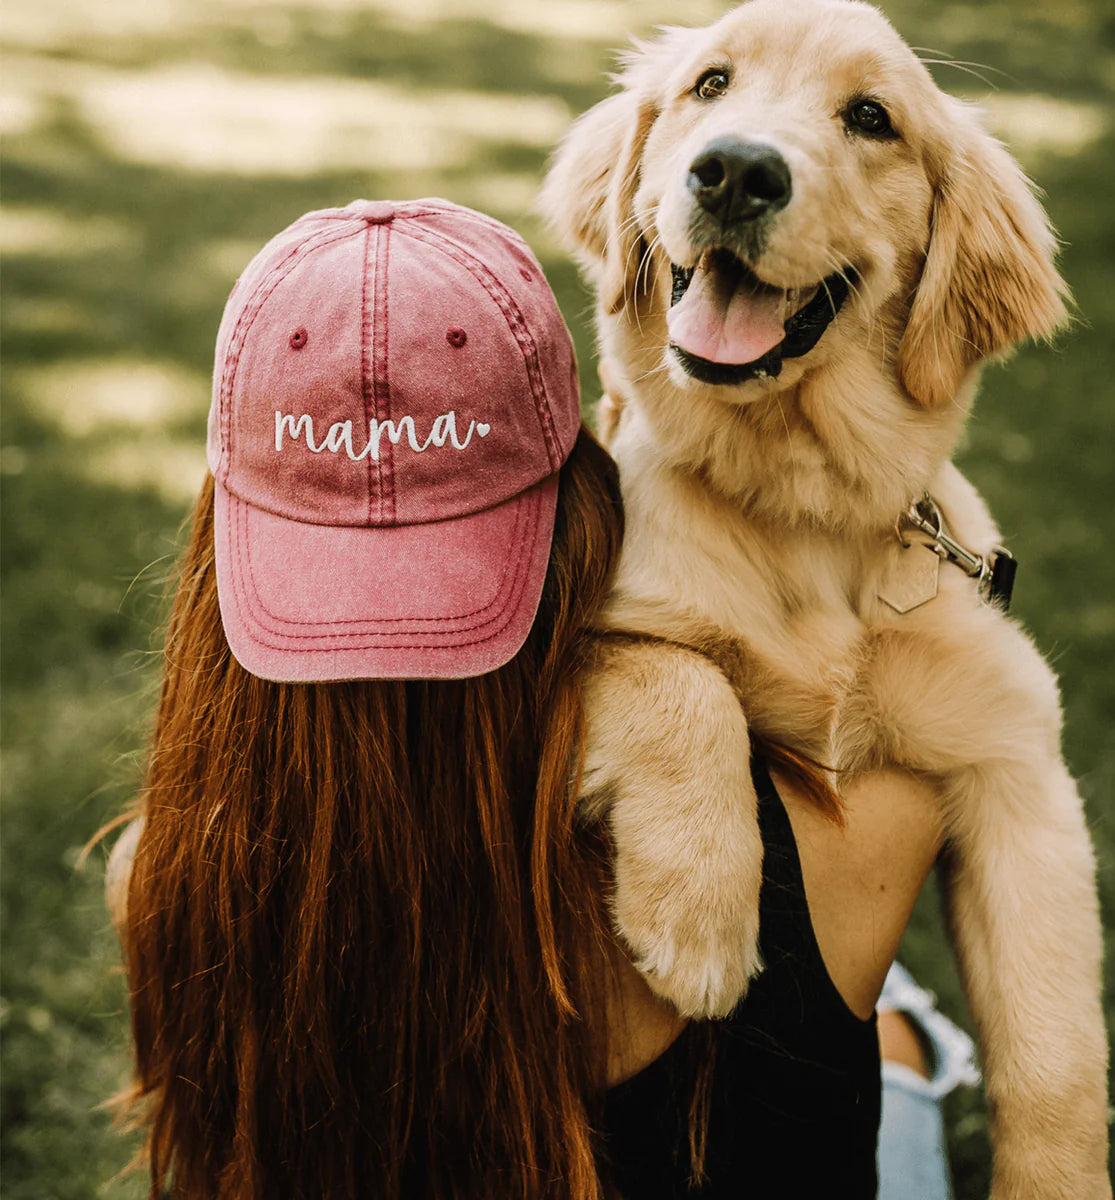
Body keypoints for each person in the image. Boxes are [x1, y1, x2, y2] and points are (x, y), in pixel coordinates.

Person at [107, 198, 974, 1200]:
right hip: (805, 921)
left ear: (224, 546)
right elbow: (887, 595)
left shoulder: (162, 881)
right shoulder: (863, 825)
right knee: (890, 1053)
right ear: (587, 508)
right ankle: (907, 1041)